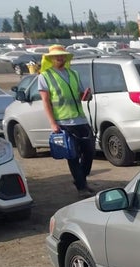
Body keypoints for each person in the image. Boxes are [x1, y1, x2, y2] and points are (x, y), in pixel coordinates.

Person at [38, 44, 96, 196]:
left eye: (62, 55)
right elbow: (46, 101)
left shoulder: (73, 74)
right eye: (57, 56)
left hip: (80, 120)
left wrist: (86, 96)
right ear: (50, 58)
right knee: (73, 156)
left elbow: (80, 94)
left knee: (89, 152)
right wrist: (53, 123)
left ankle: (80, 180)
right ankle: (82, 187)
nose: (60, 58)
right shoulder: (45, 76)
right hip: (63, 122)